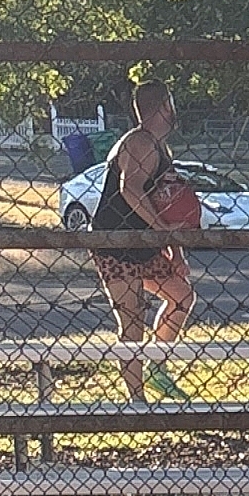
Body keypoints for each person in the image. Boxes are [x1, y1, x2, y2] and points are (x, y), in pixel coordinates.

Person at [84, 75, 199, 404]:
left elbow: (165, 201)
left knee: (181, 296)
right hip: (115, 242)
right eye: (171, 104)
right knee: (132, 319)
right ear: (165, 107)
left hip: (145, 241)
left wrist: (174, 251)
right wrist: (162, 231)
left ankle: (157, 367)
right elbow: (129, 189)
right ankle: (137, 400)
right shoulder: (139, 142)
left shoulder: (161, 147)